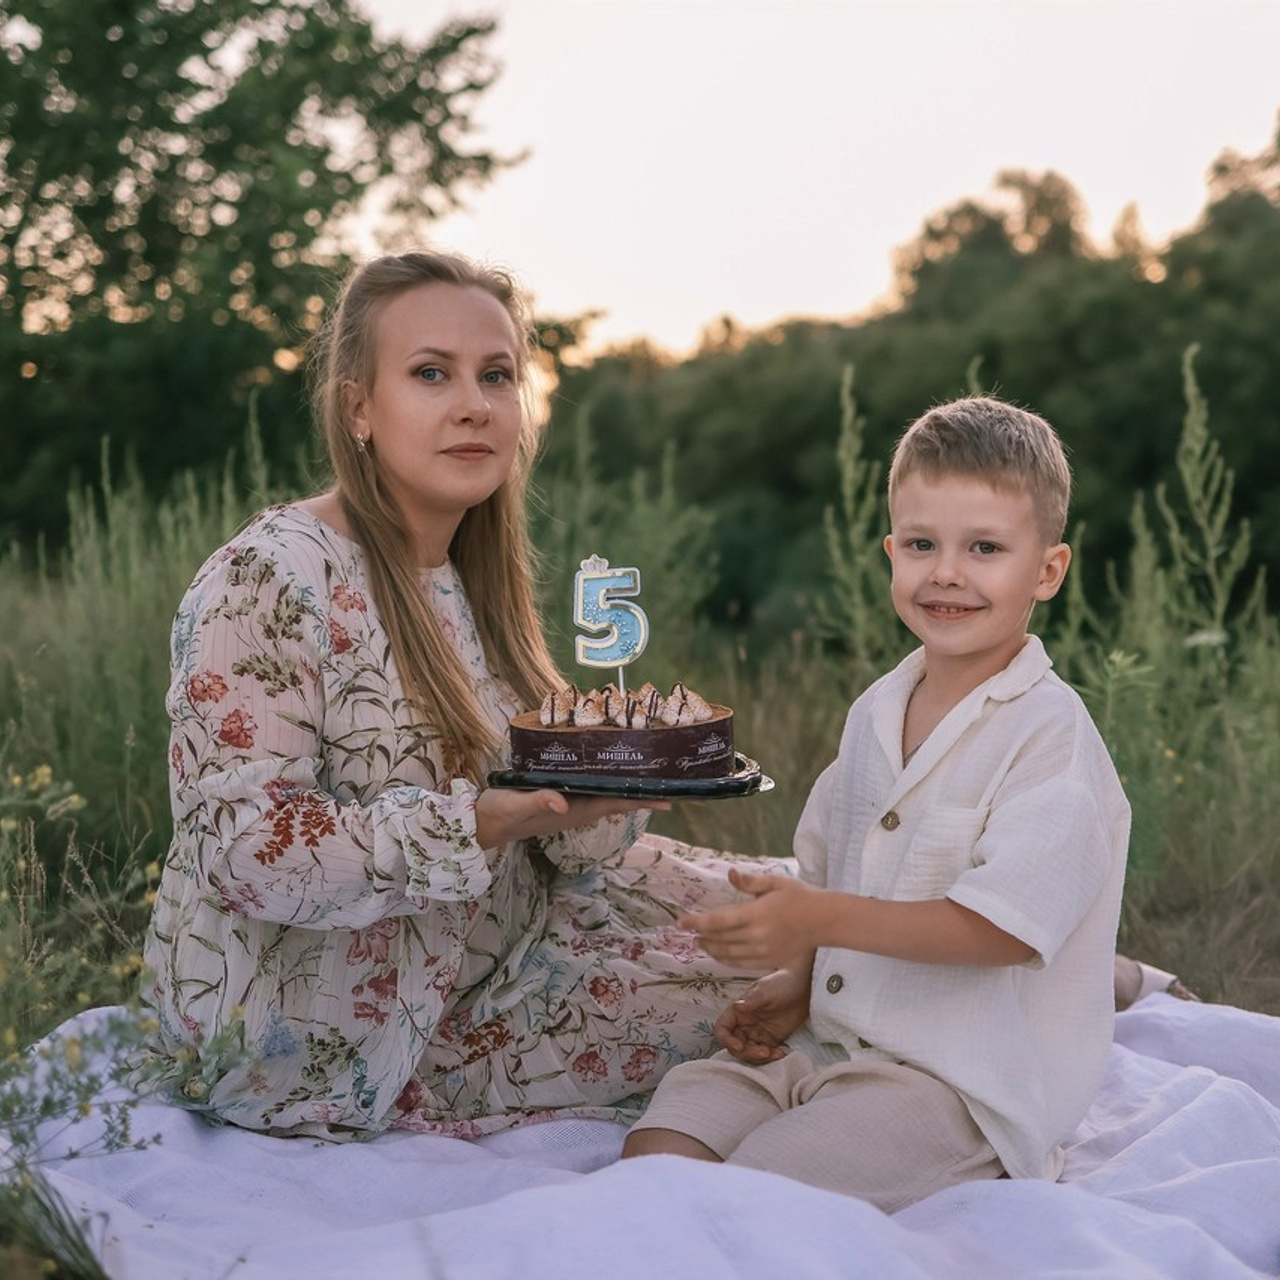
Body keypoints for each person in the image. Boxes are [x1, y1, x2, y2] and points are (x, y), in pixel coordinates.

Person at [134, 251, 756, 1137]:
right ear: (358, 408)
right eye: (432, 373)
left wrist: (604, 792)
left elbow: (552, 830)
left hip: (505, 946)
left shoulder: (470, 578)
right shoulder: (268, 580)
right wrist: (480, 825)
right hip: (348, 1033)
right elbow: (245, 848)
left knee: (801, 908)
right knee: (789, 979)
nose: (474, 404)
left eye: (496, 376)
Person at [622, 396, 1131, 1210]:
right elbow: (838, 871)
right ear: (891, 552)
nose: (947, 573)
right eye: (922, 545)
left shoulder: (1049, 736)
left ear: (1047, 570)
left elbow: (1003, 929)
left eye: (985, 548)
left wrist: (820, 921)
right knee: (658, 1152)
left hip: (954, 1080)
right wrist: (799, 978)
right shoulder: (876, 712)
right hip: (827, 1042)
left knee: (757, 1195)